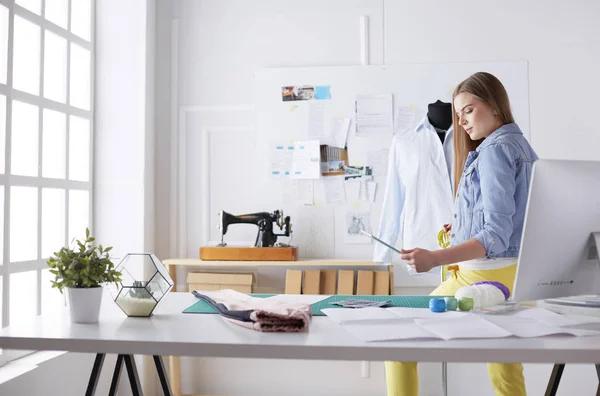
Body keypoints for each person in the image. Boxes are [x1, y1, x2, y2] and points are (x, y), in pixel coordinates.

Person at [385, 71, 538, 396]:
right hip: (513, 275)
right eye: (459, 114)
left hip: (479, 279)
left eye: (468, 110)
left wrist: (433, 257)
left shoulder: (494, 150)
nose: (462, 122)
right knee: (507, 373)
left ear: (495, 105)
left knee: (398, 347)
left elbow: (495, 236)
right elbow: (513, 219)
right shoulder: (521, 145)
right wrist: (462, 226)